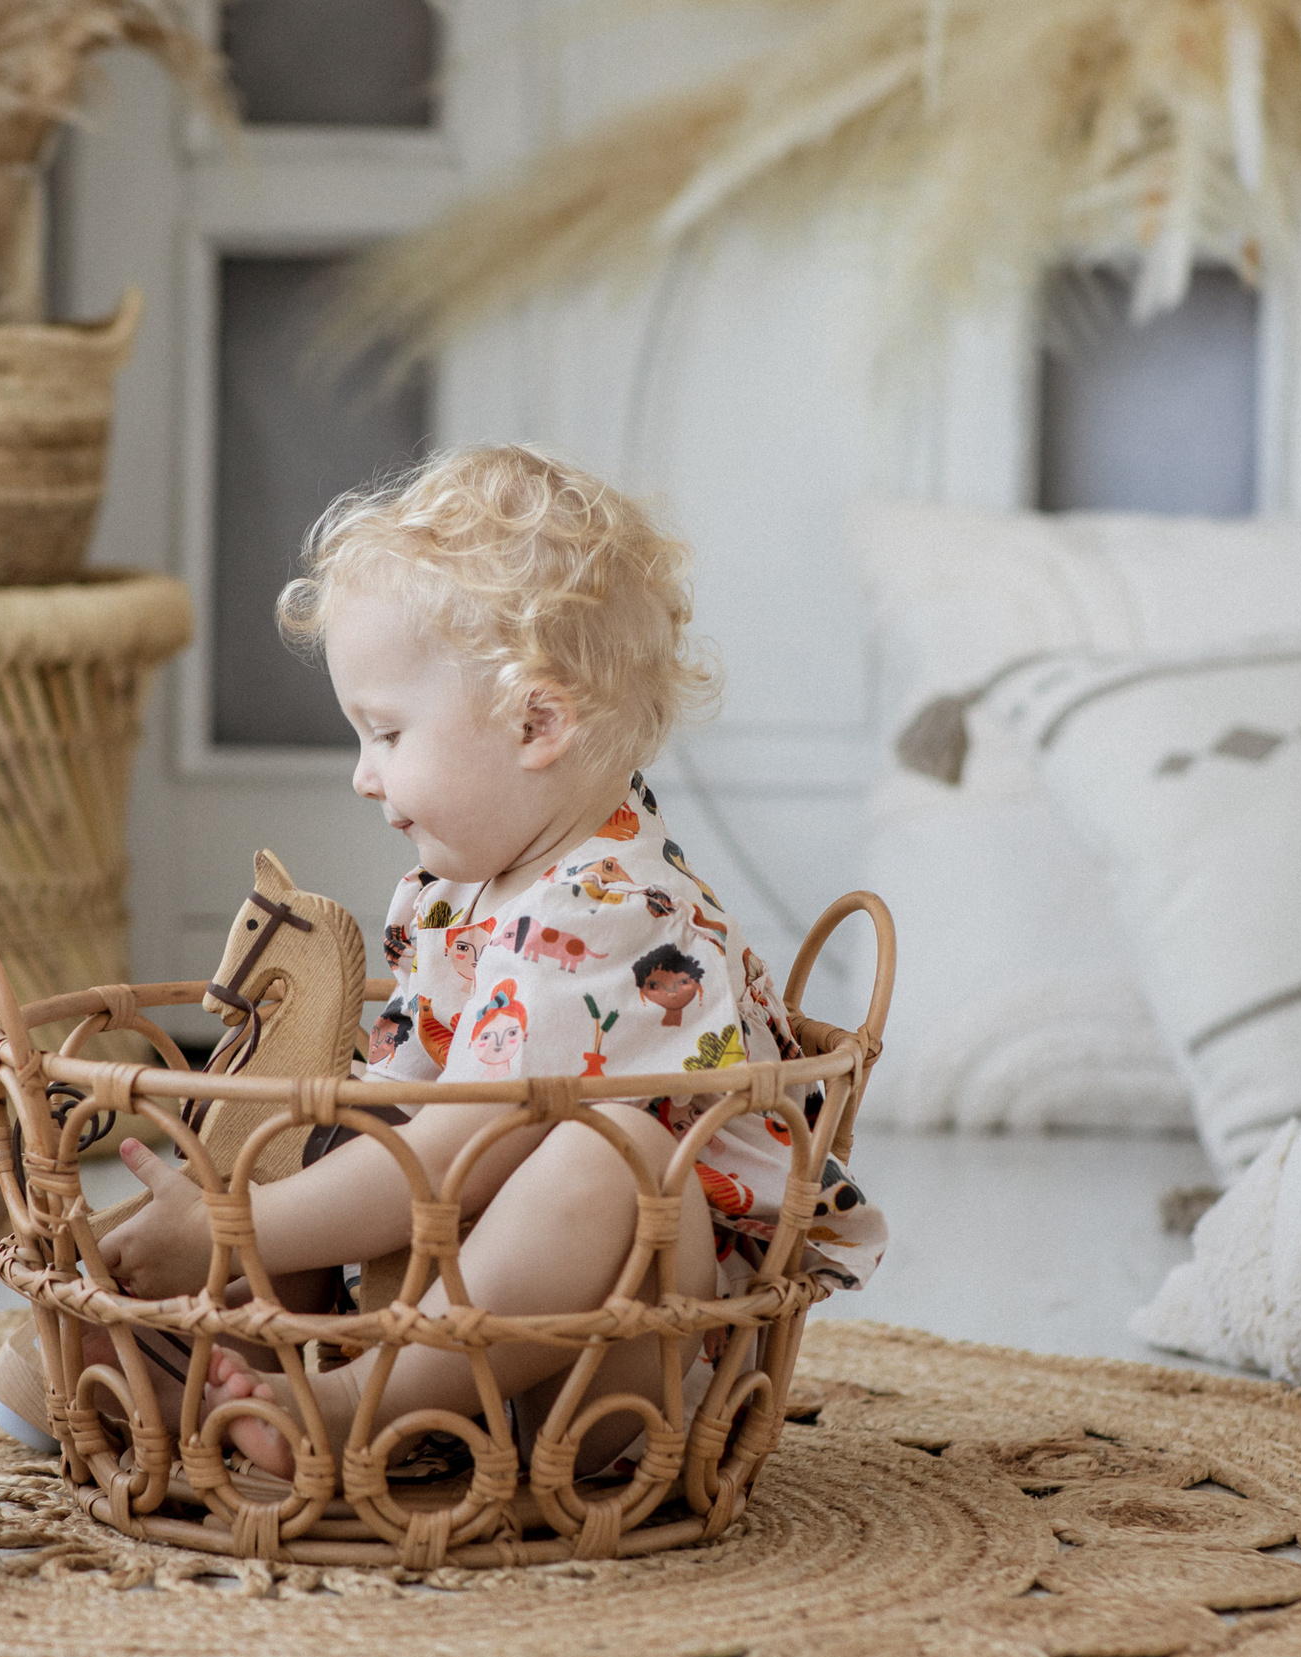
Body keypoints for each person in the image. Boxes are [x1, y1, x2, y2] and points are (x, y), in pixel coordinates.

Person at [100, 443, 887, 1476]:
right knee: (326, 1132)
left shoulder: (607, 912)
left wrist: (230, 1226)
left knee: (615, 1156)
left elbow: (445, 1158)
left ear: (536, 722)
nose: (362, 775)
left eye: (385, 734)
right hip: (446, 1301)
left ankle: (358, 1404)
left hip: (614, 1365)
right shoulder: (461, 892)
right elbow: (396, 1124)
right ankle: (191, 1367)